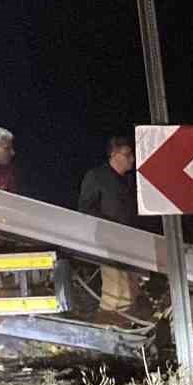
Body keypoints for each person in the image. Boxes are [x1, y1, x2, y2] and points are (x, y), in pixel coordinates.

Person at [78, 136, 149, 324]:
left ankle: (120, 329)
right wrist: (110, 227)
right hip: (107, 242)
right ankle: (105, 330)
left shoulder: (128, 181)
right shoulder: (96, 177)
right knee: (116, 290)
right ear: (114, 155)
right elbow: (85, 209)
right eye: (127, 155)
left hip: (129, 244)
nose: (132, 159)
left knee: (130, 289)